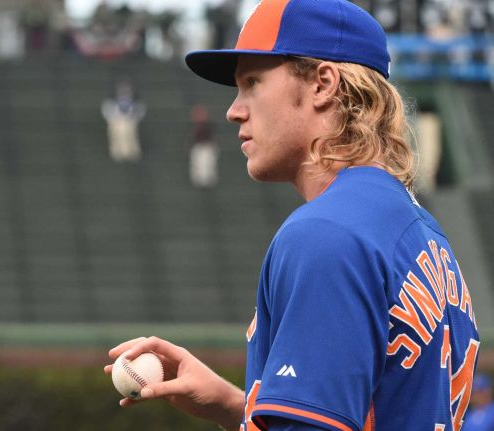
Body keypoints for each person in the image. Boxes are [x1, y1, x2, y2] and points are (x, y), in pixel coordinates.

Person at [104, 0, 480, 430]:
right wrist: (233, 405)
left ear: (322, 84)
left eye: (252, 83)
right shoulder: (420, 231)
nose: (234, 109)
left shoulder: (326, 233)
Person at [101, 79, 146, 162]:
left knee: (128, 128)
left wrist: (131, 117)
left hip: (130, 123)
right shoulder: (110, 102)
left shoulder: (136, 102)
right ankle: (117, 152)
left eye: (126, 89)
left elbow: (140, 112)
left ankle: (131, 152)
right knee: (117, 128)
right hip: (116, 123)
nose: (124, 91)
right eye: (122, 89)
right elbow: (106, 112)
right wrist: (116, 117)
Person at [189, 103, 219, 188]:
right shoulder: (192, 127)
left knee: (207, 160)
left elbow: (213, 140)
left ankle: (208, 182)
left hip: (207, 148)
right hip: (198, 149)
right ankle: (200, 183)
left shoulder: (209, 125)